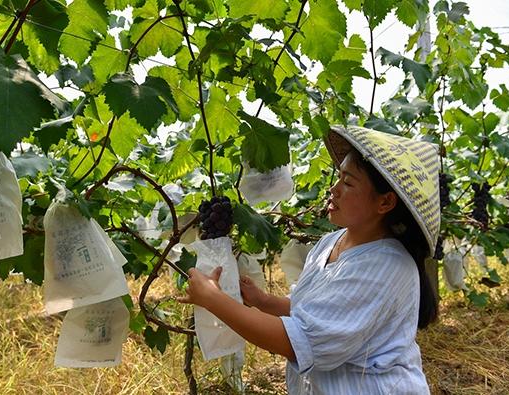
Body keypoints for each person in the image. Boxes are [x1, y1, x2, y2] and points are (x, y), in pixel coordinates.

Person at [178, 125, 440, 394]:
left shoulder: (385, 265)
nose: (334, 189)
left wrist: (212, 298)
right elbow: (313, 310)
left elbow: (297, 341)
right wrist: (263, 301)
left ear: (385, 203)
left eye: (348, 183)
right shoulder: (329, 243)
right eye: (338, 178)